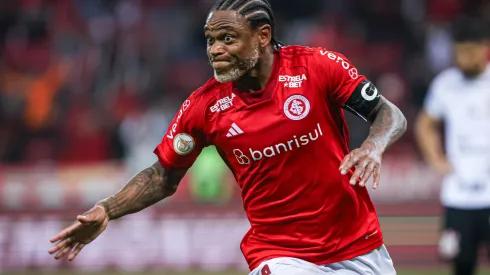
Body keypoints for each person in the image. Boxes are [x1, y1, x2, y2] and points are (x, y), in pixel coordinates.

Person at [49, 1, 406, 274]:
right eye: (210, 40)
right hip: (281, 254)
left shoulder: (317, 67)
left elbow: (390, 114)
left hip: (359, 245)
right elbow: (162, 176)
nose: (214, 50)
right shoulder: (204, 107)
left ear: (263, 36)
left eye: (227, 38)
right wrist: (107, 209)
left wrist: (373, 145)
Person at [415, 17, 490, 275]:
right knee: (462, 265)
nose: (464, 58)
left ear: (484, 48)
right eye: (459, 52)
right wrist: (436, 159)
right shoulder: (445, 84)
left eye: (469, 51)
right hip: (459, 194)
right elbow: (425, 124)